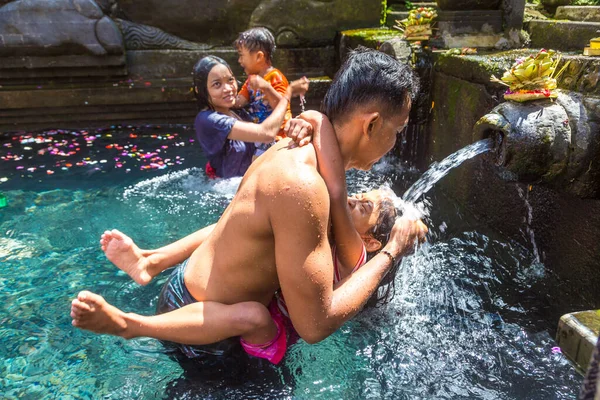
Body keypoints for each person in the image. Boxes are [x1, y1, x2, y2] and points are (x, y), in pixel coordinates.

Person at [70, 48, 427, 363]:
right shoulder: (303, 185)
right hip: (206, 330)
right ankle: (132, 324)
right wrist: (392, 250)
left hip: (199, 296)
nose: (395, 142)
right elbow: (315, 324)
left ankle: (151, 261)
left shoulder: (300, 151)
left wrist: (315, 118)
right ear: (372, 123)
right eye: (398, 130)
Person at [193, 55, 308, 179]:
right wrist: (287, 94)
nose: (228, 89)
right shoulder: (208, 120)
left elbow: (272, 126)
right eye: (217, 84)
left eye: (230, 80)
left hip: (249, 183)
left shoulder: (238, 112)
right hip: (228, 194)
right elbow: (266, 133)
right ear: (200, 90)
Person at [234, 27, 292, 158]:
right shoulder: (251, 80)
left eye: (241, 55)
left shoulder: (275, 77)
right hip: (260, 135)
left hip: (277, 137)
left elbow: (282, 106)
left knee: (255, 168)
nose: (239, 61)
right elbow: (239, 102)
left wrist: (266, 87)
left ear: (259, 56)